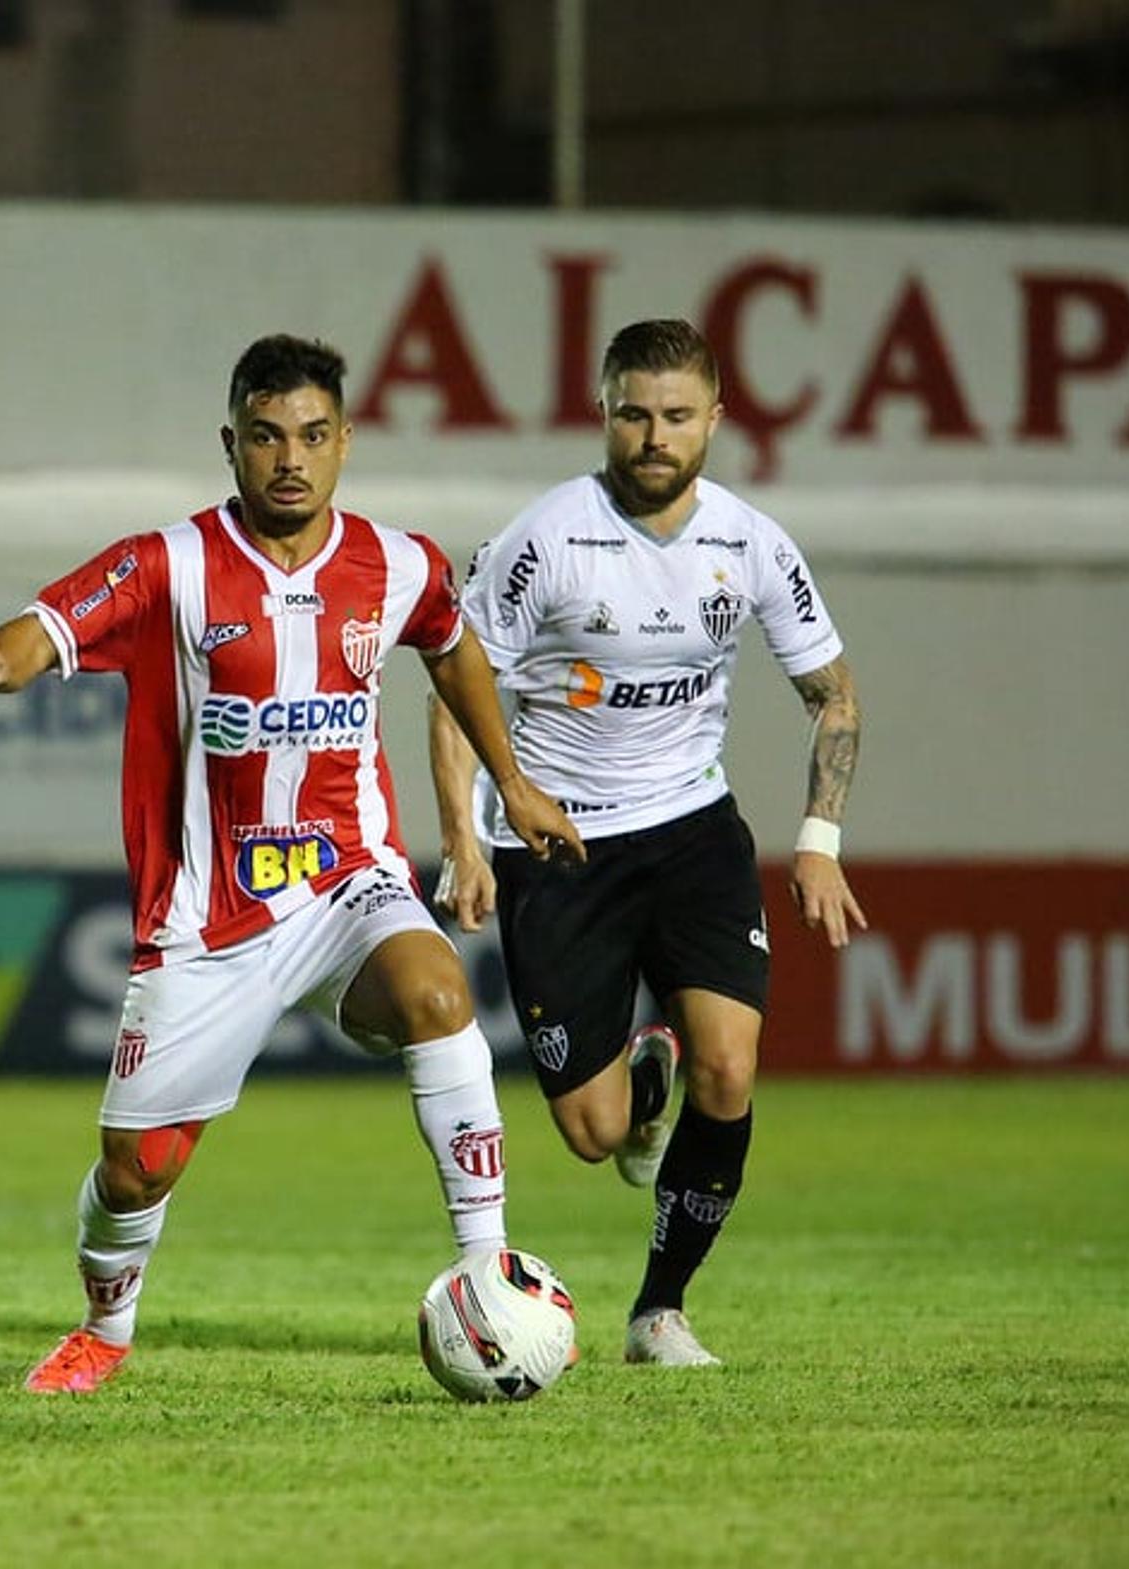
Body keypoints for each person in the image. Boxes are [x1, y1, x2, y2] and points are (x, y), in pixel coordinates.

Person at [0, 333, 578, 1394]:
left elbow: (451, 641)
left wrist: (506, 788)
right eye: (268, 437)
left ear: (345, 443)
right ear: (230, 445)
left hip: (349, 884)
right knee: (137, 1168)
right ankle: (107, 1326)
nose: (292, 459)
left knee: (435, 989)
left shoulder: (397, 562)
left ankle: (487, 1267)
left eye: (314, 437)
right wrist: (1, 665)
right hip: (209, 917)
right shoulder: (169, 565)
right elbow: (49, 623)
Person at [430, 318, 865, 1368]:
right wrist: (465, 839)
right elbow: (453, 680)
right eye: (635, 414)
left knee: (732, 1067)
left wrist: (819, 839)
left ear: (715, 419)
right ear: (604, 413)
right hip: (560, 846)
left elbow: (833, 694)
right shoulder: (545, 539)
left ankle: (659, 1313)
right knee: (592, 1133)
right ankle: (639, 1094)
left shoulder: (750, 543)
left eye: (677, 416)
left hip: (690, 831)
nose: (655, 437)